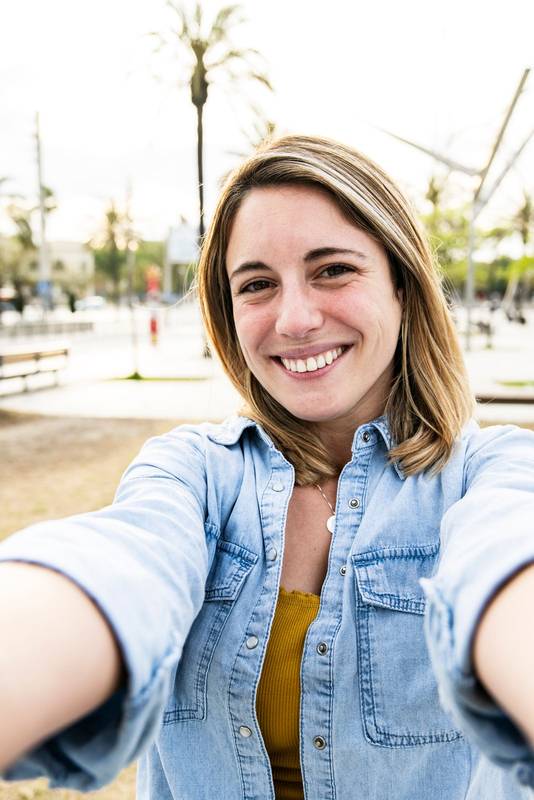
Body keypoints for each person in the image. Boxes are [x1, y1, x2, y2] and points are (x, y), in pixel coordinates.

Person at [1, 134, 534, 800]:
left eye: (333, 269)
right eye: (256, 285)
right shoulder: (192, 471)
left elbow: (511, 565)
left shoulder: (490, 474)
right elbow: (120, 564)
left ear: (402, 283)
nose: (296, 318)